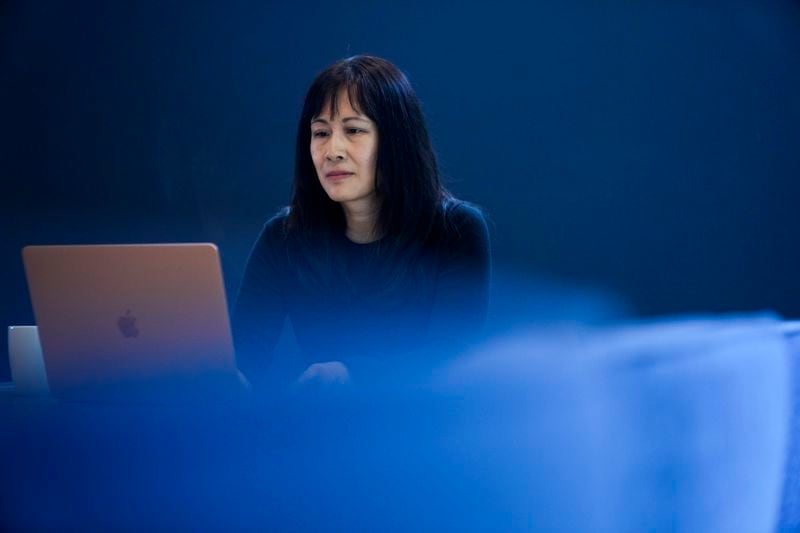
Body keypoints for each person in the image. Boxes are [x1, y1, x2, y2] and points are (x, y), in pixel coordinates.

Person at [232, 55, 490, 389]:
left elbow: (452, 358)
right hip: (319, 428)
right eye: (321, 132)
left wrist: (352, 372)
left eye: (353, 130)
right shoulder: (284, 236)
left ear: (397, 141)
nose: (332, 150)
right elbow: (244, 357)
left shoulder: (456, 230)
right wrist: (224, 378)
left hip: (422, 432)